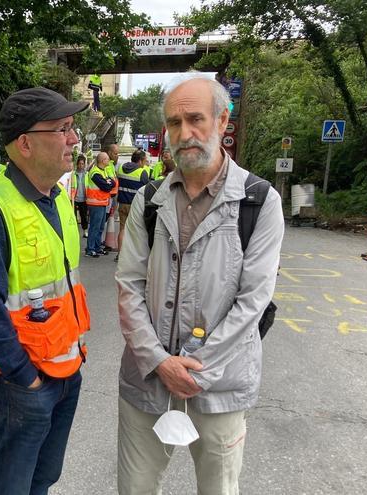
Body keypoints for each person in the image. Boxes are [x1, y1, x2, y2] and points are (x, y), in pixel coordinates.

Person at [115, 76, 284, 494]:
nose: (184, 133)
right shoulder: (149, 199)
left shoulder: (258, 201)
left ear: (223, 121)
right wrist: (160, 362)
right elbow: (129, 286)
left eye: (195, 119)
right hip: (147, 382)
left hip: (220, 387)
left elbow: (253, 301)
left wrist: (197, 370)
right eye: (174, 122)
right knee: (134, 489)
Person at [0, 87, 92, 494]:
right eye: (63, 129)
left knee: (42, 479)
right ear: (24, 143)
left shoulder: (57, 197)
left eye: (73, 129)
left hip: (66, 370)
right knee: (8, 487)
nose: (74, 139)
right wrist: (26, 379)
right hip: (21, 384)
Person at [115, 150, 151, 261]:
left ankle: (120, 254)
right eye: (145, 161)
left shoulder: (120, 168)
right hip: (134, 206)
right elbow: (148, 188)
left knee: (122, 229)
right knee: (136, 231)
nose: (145, 163)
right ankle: (131, 256)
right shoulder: (142, 172)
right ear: (140, 161)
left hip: (122, 204)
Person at [84, 151, 114, 257]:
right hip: (95, 203)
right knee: (95, 227)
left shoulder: (103, 171)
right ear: (102, 160)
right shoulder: (95, 172)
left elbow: (112, 182)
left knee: (100, 227)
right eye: (107, 159)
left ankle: (96, 247)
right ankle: (90, 249)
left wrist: (109, 183)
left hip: (102, 202)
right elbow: (106, 186)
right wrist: (108, 183)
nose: (109, 161)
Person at [69, 154, 89, 238]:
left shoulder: (86, 174)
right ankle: (74, 232)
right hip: (74, 198)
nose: (81, 165)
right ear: (77, 164)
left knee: (83, 216)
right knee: (73, 217)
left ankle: (85, 231)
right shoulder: (73, 174)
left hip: (84, 198)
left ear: (84, 164)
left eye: (82, 164)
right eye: (79, 164)